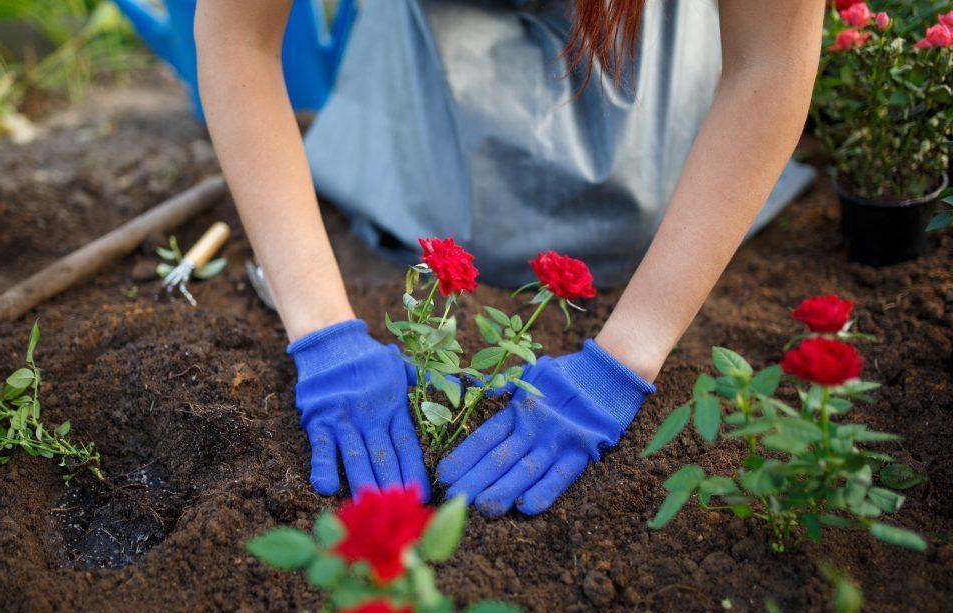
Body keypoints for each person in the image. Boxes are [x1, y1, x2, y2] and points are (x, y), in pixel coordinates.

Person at [194, 0, 823, 515]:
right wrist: (322, 333)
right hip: (424, 82)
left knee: (640, 216)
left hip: (637, 89)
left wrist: (627, 356)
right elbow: (236, 37)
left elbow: (769, 62)